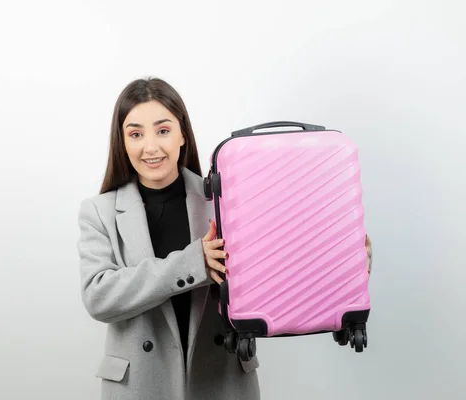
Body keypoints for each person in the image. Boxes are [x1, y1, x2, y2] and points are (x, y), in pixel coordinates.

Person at [76, 77, 372, 400]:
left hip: (223, 380)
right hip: (140, 386)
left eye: (163, 130)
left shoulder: (228, 197)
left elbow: (282, 261)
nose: (151, 147)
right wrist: (193, 262)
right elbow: (98, 296)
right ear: (122, 141)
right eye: (135, 134)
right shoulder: (99, 211)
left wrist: (347, 258)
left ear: (182, 135)